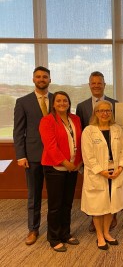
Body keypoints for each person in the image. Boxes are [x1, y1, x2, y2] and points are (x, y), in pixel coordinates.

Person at [13, 66, 53, 245]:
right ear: (33, 79)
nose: (41, 79)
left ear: (50, 80)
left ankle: (55, 229)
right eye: (38, 76)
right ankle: (33, 229)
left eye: (45, 76)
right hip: (33, 156)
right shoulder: (23, 102)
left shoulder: (57, 100)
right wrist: (21, 155)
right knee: (34, 195)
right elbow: (18, 131)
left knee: (55, 194)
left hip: (54, 156)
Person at [81, 100, 123, 250]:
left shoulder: (116, 129)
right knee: (97, 207)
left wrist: (120, 167)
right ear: (95, 113)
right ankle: (99, 236)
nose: (105, 113)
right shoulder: (89, 131)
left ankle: (107, 233)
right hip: (98, 174)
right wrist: (101, 172)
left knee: (110, 206)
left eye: (108, 110)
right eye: (101, 110)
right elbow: (87, 156)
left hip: (114, 172)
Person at [39, 91, 82, 252]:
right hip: (55, 168)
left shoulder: (75, 119)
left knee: (67, 203)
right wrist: (65, 162)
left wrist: (78, 162)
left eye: (65, 100)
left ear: (69, 103)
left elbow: (79, 140)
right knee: (55, 205)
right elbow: (50, 147)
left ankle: (65, 233)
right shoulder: (47, 121)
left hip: (73, 167)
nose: (62, 103)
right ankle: (54, 237)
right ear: (53, 104)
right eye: (58, 101)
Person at [76, 71, 118, 232]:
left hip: (111, 156)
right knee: (96, 192)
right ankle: (96, 219)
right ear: (89, 85)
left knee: (112, 189)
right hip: (93, 156)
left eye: (99, 83)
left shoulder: (115, 103)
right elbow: (81, 133)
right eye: (93, 83)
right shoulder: (82, 106)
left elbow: (117, 128)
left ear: (104, 84)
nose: (96, 86)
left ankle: (113, 216)